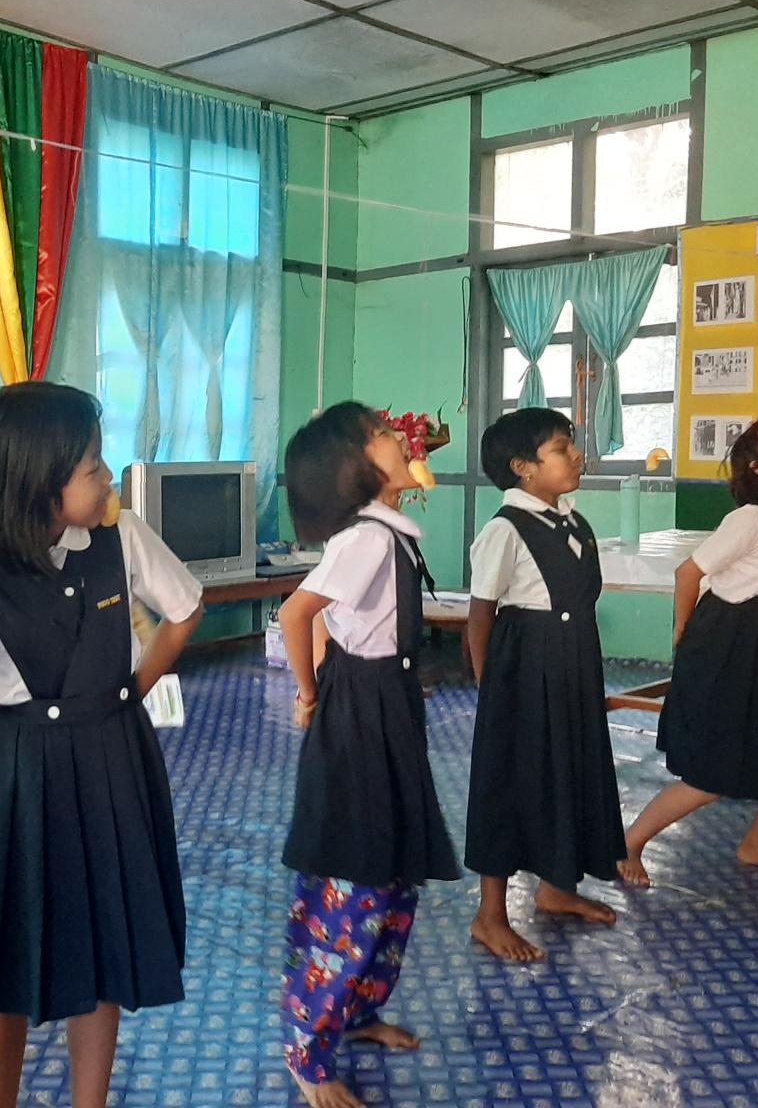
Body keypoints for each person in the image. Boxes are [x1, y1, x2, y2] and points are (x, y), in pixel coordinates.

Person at [0, 383, 202, 1108]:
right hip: (21, 783)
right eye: (93, 466)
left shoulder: (121, 540)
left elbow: (186, 608)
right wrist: (3, 722)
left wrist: (129, 690)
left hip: (114, 763)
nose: (108, 477)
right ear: (42, 481)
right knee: (8, 948)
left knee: (101, 942)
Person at [275, 402, 459, 1108]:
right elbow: (297, 613)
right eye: (383, 436)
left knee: (392, 869)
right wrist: (309, 692)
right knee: (356, 874)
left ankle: (357, 1013)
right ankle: (308, 1049)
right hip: (362, 714)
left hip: (388, 707)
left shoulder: (388, 534)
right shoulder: (365, 540)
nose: (401, 440)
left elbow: (340, 618)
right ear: (354, 466)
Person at [619, 413, 758, 885]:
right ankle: (631, 842)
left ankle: (755, 845)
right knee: (712, 774)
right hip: (727, 642)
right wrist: (682, 634)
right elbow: (688, 573)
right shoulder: (751, 519)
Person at [464, 408, 625, 963]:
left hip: (574, 665)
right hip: (523, 671)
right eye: (561, 448)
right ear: (523, 468)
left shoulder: (574, 522)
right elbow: (480, 616)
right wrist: (490, 690)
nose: (576, 456)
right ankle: (490, 915)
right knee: (508, 781)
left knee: (569, 770)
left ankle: (557, 887)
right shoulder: (504, 530)